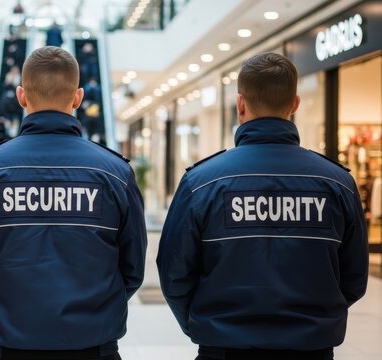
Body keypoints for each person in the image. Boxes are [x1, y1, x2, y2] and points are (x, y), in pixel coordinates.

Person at [157, 52, 368, 360]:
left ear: (240, 104)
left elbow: (174, 272)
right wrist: (312, 324)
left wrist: (206, 325)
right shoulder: (337, 184)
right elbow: (354, 277)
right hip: (311, 349)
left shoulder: (201, 183)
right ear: (294, 104)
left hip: (224, 347)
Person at [0, 46, 147, 360]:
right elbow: (132, 269)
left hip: (9, 346)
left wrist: (8, 313)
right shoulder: (115, 173)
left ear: (21, 96)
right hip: (93, 347)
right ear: (78, 97)